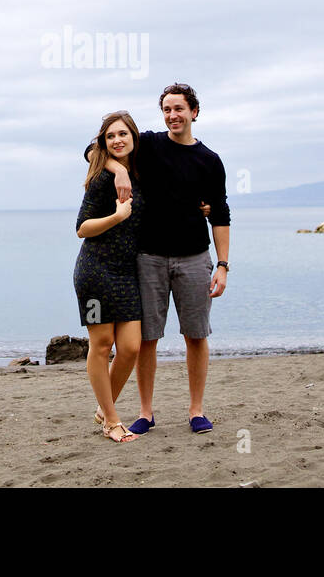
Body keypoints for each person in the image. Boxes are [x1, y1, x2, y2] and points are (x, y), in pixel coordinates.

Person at [102, 83, 229, 435]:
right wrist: (121, 170)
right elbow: (94, 149)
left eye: (179, 109)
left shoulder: (210, 160)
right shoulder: (151, 145)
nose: (173, 115)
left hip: (194, 258)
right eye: (167, 110)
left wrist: (222, 265)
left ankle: (196, 410)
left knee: (196, 336)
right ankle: (145, 412)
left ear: (194, 112)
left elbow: (220, 214)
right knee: (147, 339)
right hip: (150, 258)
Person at [73, 111, 145, 442]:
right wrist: (116, 217)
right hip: (94, 272)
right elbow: (81, 229)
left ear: (134, 137)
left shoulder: (141, 173)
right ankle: (112, 420)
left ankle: (105, 408)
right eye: (110, 136)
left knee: (130, 347)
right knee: (101, 345)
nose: (117, 140)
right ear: (104, 141)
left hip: (127, 273)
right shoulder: (103, 178)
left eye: (123, 134)